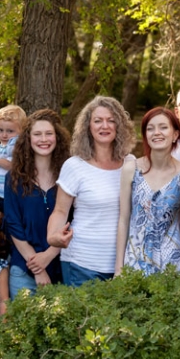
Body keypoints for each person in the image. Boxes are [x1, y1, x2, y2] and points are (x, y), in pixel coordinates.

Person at [47, 96, 136, 286]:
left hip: (125, 264)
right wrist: (53, 235)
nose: (105, 126)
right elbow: (60, 211)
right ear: (88, 126)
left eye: (111, 120)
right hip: (82, 264)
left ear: (119, 126)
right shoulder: (75, 166)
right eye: (98, 121)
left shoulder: (131, 163)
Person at [115, 107, 180, 274]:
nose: (156, 133)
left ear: (175, 135)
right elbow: (123, 220)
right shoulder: (131, 169)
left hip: (171, 265)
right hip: (134, 264)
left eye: (163, 127)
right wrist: (118, 269)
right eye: (150, 128)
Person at [5, 109, 72, 299]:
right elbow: (12, 223)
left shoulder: (69, 176)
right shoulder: (14, 178)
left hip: (61, 267)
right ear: (28, 138)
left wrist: (48, 256)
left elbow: (74, 221)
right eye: (37, 134)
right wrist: (37, 266)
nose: (44, 139)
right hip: (24, 268)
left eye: (49, 133)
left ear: (57, 137)